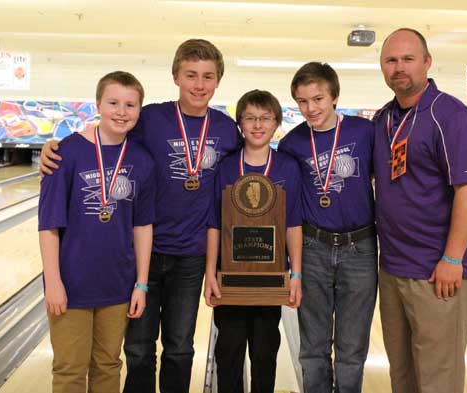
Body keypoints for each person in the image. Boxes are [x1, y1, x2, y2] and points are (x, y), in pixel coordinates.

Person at [39, 39, 242, 393]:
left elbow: (250, 167)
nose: (199, 84)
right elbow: (105, 138)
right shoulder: (150, 118)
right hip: (139, 255)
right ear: (176, 76)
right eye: (190, 74)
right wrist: (52, 147)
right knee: (136, 347)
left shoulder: (226, 130)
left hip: (191, 254)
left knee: (179, 347)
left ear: (218, 81)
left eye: (207, 76)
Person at [372, 28, 467, 393]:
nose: (399, 67)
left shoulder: (449, 116)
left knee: (438, 379)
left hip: (437, 273)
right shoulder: (384, 119)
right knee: (402, 375)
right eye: (391, 60)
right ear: (382, 67)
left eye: (408, 59)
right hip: (392, 269)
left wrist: (453, 259)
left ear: (427, 62)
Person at [38, 70, 155, 393]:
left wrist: (141, 284)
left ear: (139, 110)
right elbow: (48, 225)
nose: (121, 111)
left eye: (130, 105)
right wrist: (54, 282)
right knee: (70, 370)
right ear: (98, 105)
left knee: (108, 365)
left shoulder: (142, 160)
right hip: (71, 285)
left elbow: (142, 226)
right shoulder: (65, 153)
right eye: (113, 102)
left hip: (118, 283)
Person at [277, 62, 378, 393]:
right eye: (302, 101)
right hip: (313, 248)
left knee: (351, 350)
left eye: (318, 99)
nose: (311, 108)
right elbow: (288, 207)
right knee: (313, 349)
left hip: (360, 248)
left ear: (334, 97)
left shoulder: (364, 133)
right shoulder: (292, 144)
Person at [203, 89, 303, 393]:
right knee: (229, 352)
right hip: (231, 277)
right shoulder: (226, 166)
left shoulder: (287, 166)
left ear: (276, 124)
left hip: (270, 279)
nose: (258, 125)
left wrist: (295, 273)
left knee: (264, 353)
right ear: (240, 124)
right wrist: (210, 272)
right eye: (250, 118)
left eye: (265, 118)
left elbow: (293, 224)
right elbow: (214, 223)